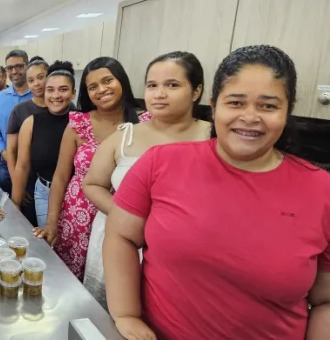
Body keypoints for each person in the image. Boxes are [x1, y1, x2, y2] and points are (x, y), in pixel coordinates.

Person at [104, 45, 330, 340]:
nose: (250, 117)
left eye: (268, 106)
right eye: (235, 103)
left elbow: (325, 299)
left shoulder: (320, 189)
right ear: (214, 105)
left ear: (288, 110)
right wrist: (125, 313)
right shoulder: (161, 162)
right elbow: (120, 234)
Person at [81, 51, 211, 309]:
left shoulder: (215, 136)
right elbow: (92, 184)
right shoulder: (125, 135)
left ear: (196, 91)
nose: (159, 94)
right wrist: (127, 218)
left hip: (186, 249)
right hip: (120, 241)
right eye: (152, 86)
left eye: (172, 85)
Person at [33, 57, 150, 280]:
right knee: (73, 279)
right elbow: (60, 176)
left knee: (118, 278)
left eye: (108, 81)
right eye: (93, 87)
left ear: (122, 81)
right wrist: (51, 222)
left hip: (126, 215)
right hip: (78, 216)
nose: (101, 90)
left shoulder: (146, 123)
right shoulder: (78, 125)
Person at [12, 61, 76, 228]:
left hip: (76, 194)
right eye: (50, 90)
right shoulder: (31, 123)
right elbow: (22, 166)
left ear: (74, 93)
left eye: (63, 90)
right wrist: (15, 204)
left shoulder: (82, 122)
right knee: (49, 242)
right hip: (43, 192)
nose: (56, 96)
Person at [6, 56, 53, 224]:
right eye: (31, 80)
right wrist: (17, 184)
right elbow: (11, 152)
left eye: (41, 77)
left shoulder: (66, 109)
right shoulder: (20, 111)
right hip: (29, 181)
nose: (37, 84)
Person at [0, 50, 33, 193]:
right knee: (8, 204)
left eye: (19, 66)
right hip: (6, 162)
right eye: (9, 68)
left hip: (34, 164)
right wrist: (8, 156)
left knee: (30, 205)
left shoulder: (39, 96)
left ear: (27, 66)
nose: (14, 71)